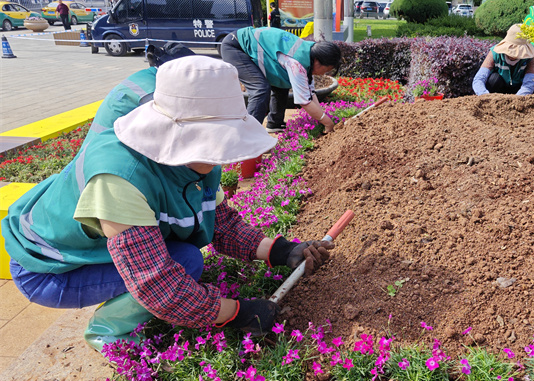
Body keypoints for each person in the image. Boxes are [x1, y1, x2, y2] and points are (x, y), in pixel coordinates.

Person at [1, 56, 334, 353]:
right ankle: (108, 330)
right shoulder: (120, 177)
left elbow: (220, 222)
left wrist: (282, 251)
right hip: (49, 267)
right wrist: (237, 313)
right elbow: (157, 284)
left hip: (89, 248)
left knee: (185, 259)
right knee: (184, 263)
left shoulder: (199, 159)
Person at [220, 27, 342, 134]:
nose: (323, 74)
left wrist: (323, 118)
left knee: (282, 82)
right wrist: (326, 122)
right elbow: (304, 101)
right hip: (235, 47)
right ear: (318, 61)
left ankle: (274, 123)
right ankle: (248, 136)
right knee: (260, 89)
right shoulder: (297, 64)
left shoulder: (308, 55)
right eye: (326, 69)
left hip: (245, 46)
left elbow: (311, 94)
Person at [472, 23, 534, 96]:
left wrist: (517, 100)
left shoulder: (532, 53)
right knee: (494, 79)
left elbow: (529, 81)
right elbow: (479, 78)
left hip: (520, 86)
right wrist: (485, 96)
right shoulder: (494, 52)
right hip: (499, 88)